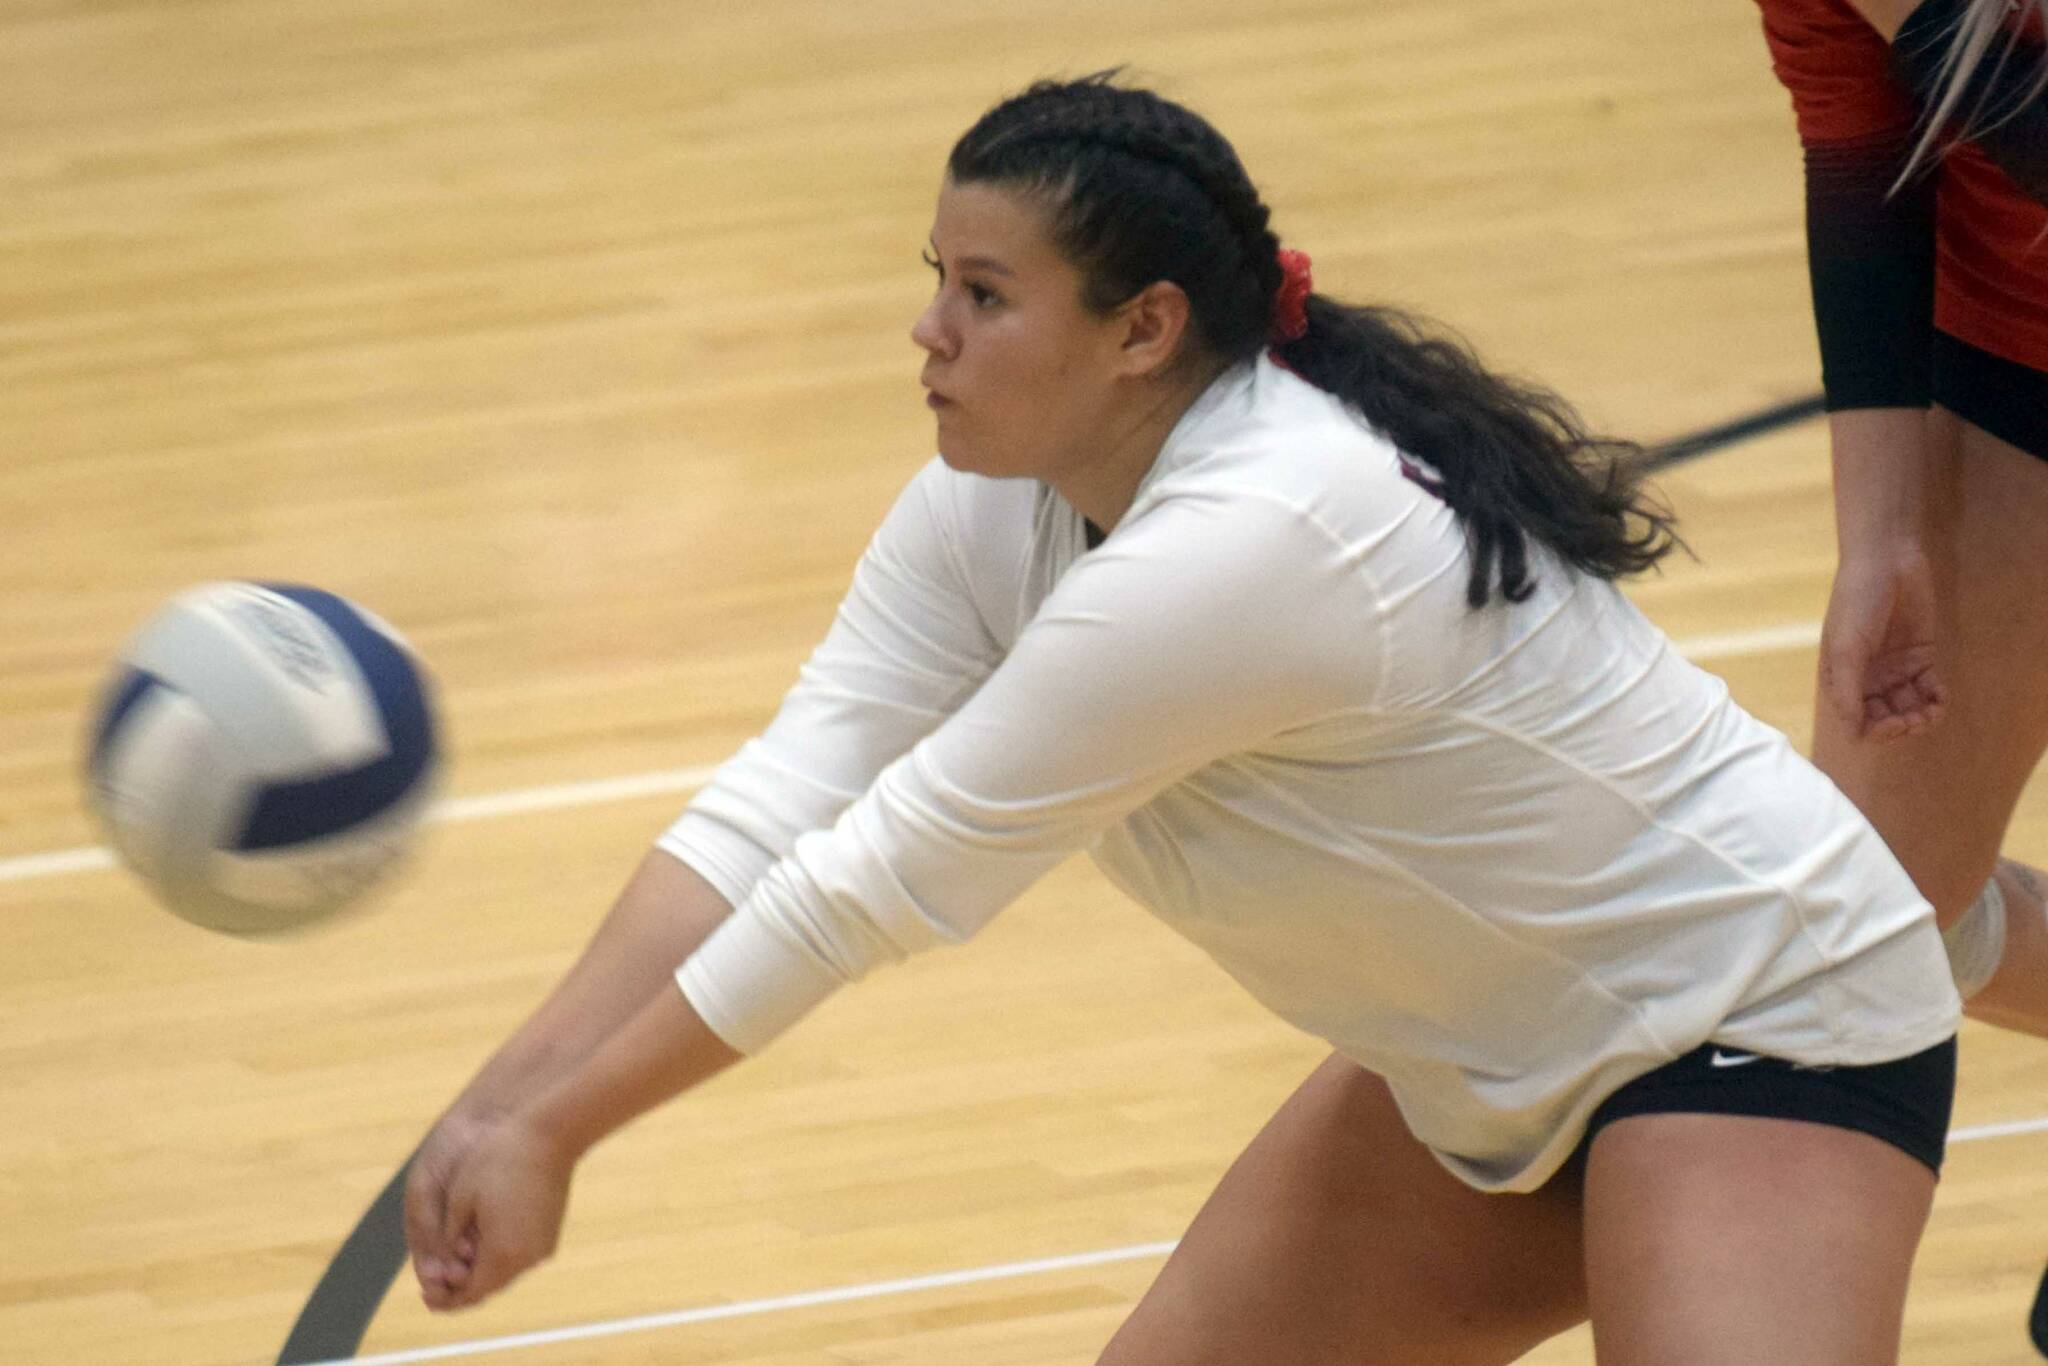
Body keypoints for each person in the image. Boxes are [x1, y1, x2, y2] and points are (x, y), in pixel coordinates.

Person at [403, 74, 1963, 1363]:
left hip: (1754, 1022)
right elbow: (777, 802)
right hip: (1478, 1063)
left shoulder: (1263, 535)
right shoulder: (990, 510)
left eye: (985, 294)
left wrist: (569, 1128)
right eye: (933, 281)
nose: (929, 331)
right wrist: (502, 1101)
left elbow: (869, 879)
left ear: (1145, 329)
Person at [1754, 0, 2048, 1036]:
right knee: (1877, 913)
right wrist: (1878, 536)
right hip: (2017, 347)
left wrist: (1917, 16)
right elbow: (1854, 137)